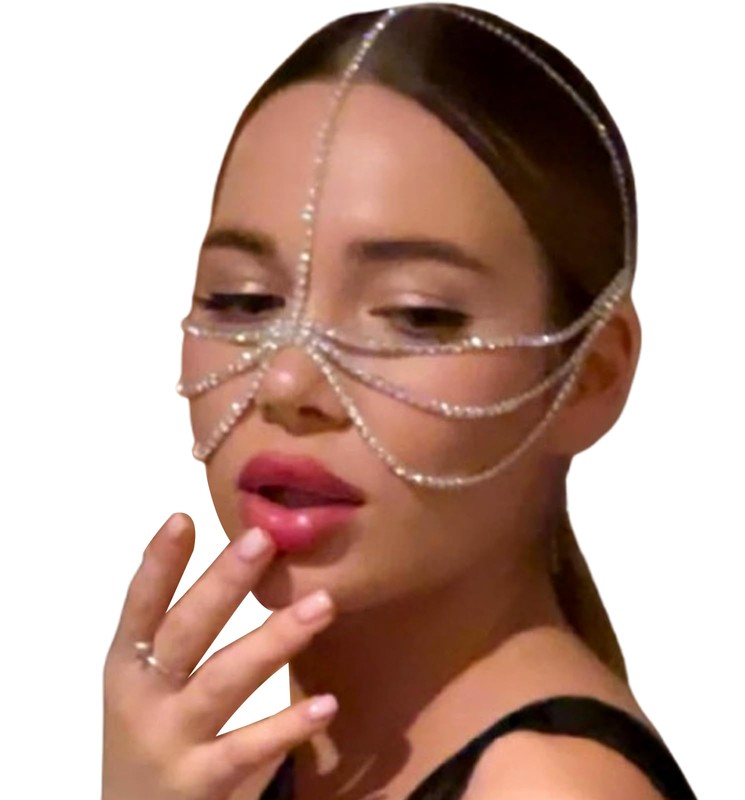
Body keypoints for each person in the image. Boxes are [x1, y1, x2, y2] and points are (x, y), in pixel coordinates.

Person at [102, 3, 698, 798]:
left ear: (590, 375)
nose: (287, 382)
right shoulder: (227, 773)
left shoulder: (549, 786)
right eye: (242, 301)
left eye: (417, 315)